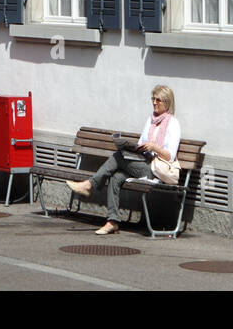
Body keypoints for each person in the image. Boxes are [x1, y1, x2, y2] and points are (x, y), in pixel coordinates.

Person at [68, 85, 180, 234]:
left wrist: (153, 147)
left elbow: (170, 156)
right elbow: (141, 142)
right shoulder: (151, 120)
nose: (154, 102)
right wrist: (133, 148)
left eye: (158, 100)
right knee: (116, 176)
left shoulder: (173, 124)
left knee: (118, 156)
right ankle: (112, 221)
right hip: (143, 162)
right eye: (153, 99)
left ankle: (90, 184)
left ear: (167, 102)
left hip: (156, 170)